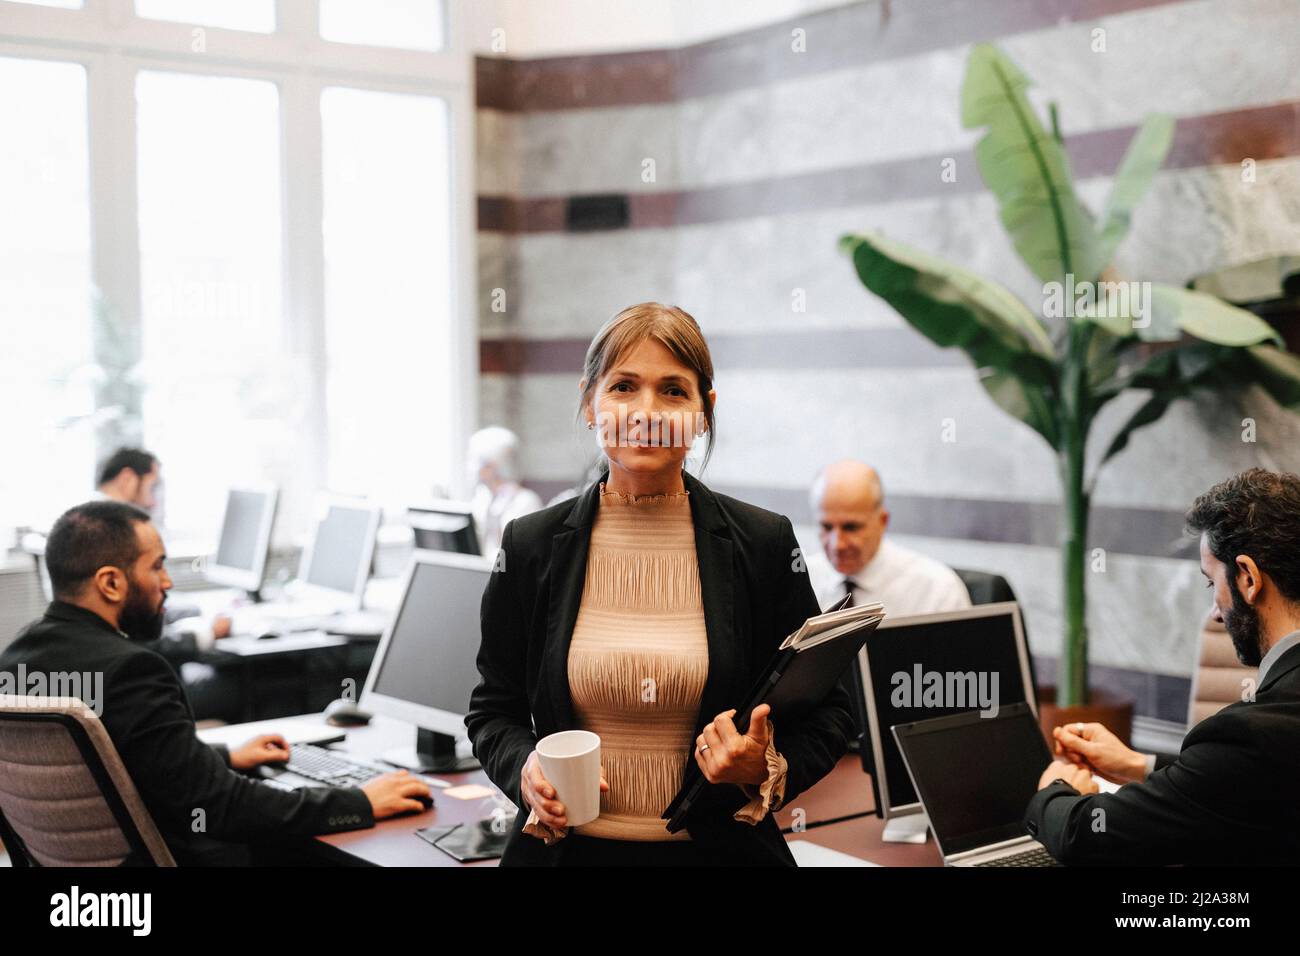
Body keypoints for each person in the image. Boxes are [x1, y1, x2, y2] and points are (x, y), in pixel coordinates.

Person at [466, 302, 854, 866]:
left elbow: (832, 713)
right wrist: (524, 769)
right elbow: (492, 711)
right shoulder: (530, 545)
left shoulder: (762, 542)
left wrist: (765, 764)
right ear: (589, 403)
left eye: (673, 390)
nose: (646, 411)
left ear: (703, 412)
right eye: (624, 386)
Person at [0, 500, 431, 865]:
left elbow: (113, 756)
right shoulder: (132, 670)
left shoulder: (14, 663)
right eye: (157, 567)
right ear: (111, 583)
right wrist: (358, 802)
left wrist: (220, 755)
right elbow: (220, 807)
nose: (167, 583)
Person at [1026, 469, 1300, 865]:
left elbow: (1083, 834)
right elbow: (1251, 780)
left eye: (1212, 583)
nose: (1216, 613)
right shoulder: (1261, 747)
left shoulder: (1254, 735)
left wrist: (1054, 790)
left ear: (1248, 578)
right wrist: (1141, 766)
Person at [95, 447, 235, 721]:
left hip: (124, 680)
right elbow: (129, 640)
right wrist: (204, 635)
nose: (154, 501)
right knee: (256, 684)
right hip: (139, 688)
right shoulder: (106, 533)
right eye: (153, 486)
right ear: (127, 478)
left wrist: (196, 611)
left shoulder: (88, 525)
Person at [806, 459, 971, 616]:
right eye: (826, 527)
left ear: (882, 521)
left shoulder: (938, 590)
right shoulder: (801, 581)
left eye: (851, 528)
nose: (837, 545)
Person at [466, 426, 543, 557]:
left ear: (495, 466)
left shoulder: (525, 502)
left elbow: (516, 552)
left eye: (482, 463)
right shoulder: (482, 498)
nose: (473, 468)